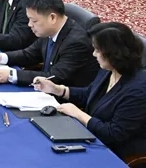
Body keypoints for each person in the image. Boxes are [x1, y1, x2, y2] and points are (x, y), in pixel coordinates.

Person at [33, 22, 146, 160]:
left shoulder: (138, 89)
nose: (94, 54)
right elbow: (89, 93)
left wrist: (78, 114)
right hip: (92, 136)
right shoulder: (110, 69)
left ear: (114, 53)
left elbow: (113, 134)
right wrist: (57, 89)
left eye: (97, 50)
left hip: (115, 152)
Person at [0, 0, 98, 86]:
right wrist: (1, 57)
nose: (29, 25)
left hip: (63, 100)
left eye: (34, 21)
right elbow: (29, 54)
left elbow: (55, 77)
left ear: (52, 18)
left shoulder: (76, 43)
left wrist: (11, 75)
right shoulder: (49, 30)